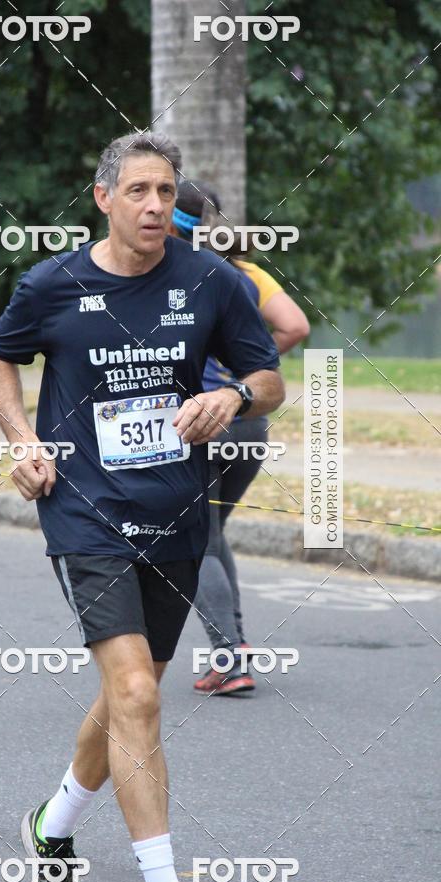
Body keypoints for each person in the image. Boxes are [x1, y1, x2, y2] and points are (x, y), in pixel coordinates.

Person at [0, 132, 284, 882]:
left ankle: (51, 825)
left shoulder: (213, 281)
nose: (156, 206)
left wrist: (234, 396)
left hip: (176, 506)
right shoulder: (52, 284)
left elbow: (268, 378)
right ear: (105, 198)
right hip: (84, 508)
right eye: (141, 191)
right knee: (140, 695)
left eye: (166, 192)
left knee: (132, 690)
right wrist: (24, 443)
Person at [169, 180, 310, 696]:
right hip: (250, 421)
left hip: (202, 420)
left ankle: (230, 659)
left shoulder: (169, 272)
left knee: (194, 540)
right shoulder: (243, 274)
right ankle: (235, 650)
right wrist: (243, 368)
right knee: (211, 534)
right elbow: (295, 326)